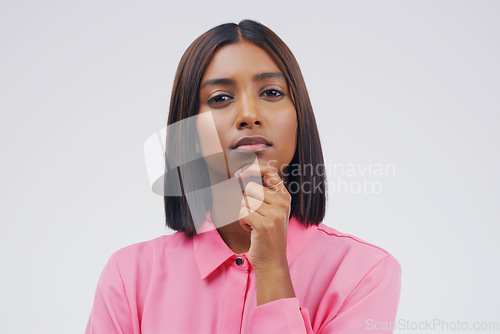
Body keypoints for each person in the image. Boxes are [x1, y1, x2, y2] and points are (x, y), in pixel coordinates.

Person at [85, 19, 401, 334]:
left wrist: (273, 270)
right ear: (189, 134)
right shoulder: (128, 278)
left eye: (272, 92)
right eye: (220, 98)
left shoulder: (367, 275)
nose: (249, 114)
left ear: (298, 118)